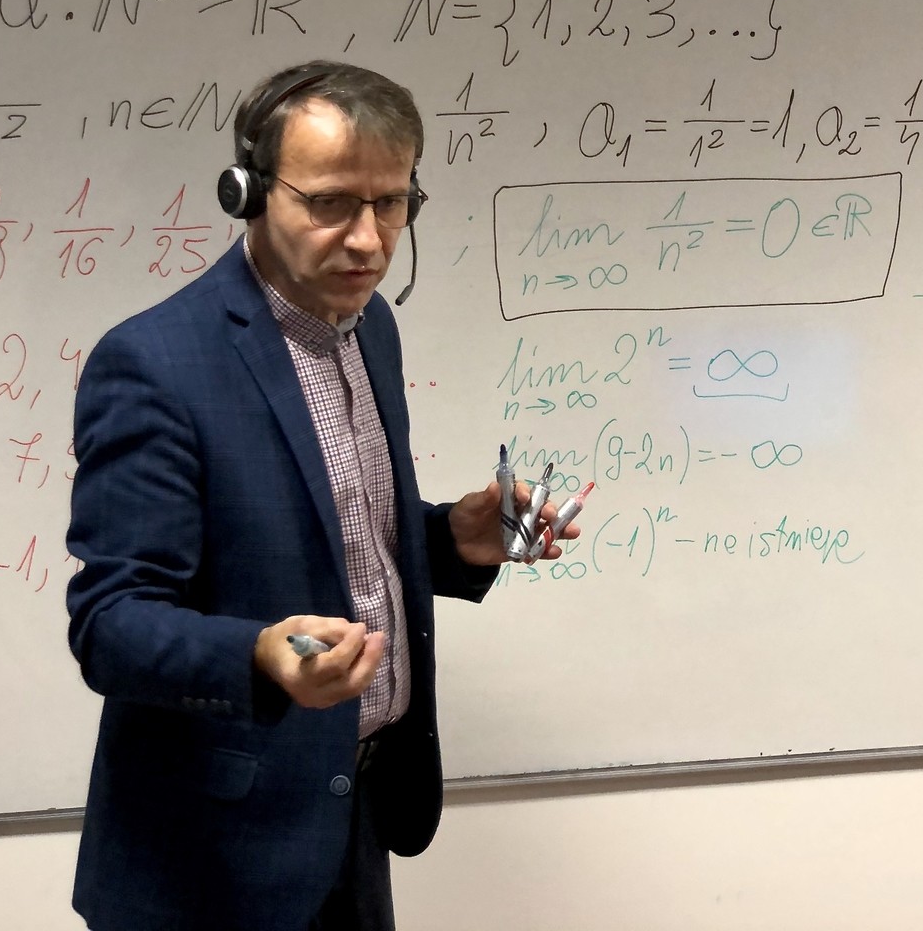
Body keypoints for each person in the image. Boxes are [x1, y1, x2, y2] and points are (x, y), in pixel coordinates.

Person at [64, 60, 576, 931]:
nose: (369, 240)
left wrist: (453, 538)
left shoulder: (370, 328)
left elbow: (335, 535)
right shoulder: (155, 364)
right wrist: (260, 655)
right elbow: (110, 624)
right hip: (212, 860)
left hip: (354, 816)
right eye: (332, 202)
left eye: (392, 203)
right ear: (249, 193)